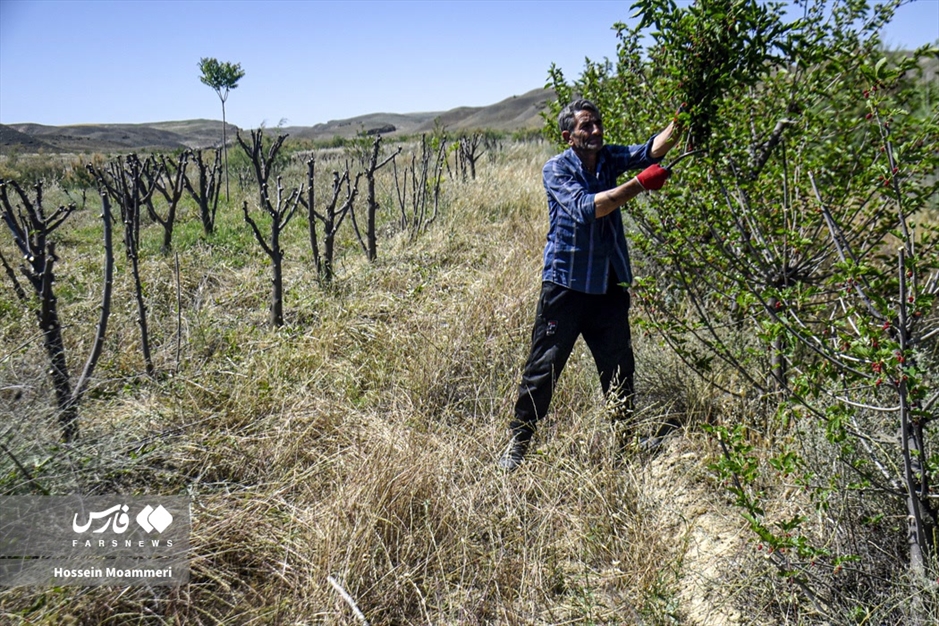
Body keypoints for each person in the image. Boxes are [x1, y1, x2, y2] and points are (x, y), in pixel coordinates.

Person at [498, 98, 682, 471]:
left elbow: (651, 149)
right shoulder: (557, 169)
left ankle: (627, 441)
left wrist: (684, 117)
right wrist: (639, 184)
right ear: (569, 136)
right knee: (544, 368)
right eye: (586, 125)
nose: (596, 130)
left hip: (609, 284)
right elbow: (589, 208)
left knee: (619, 367)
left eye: (597, 123)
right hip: (566, 285)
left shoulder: (609, 158)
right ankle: (519, 442)